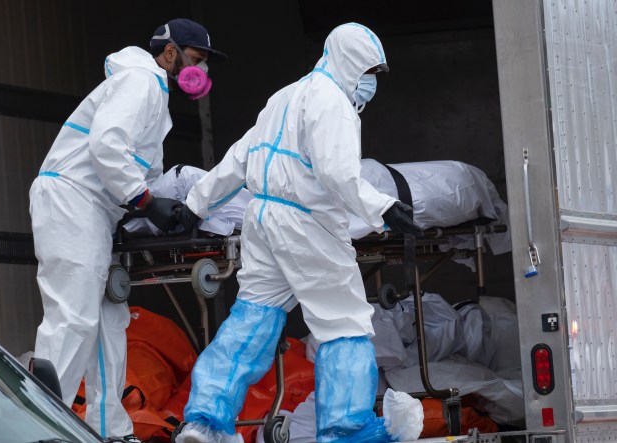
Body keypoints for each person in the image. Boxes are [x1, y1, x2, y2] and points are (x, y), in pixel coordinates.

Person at [174, 23, 422, 443]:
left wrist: (194, 203)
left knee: (252, 317)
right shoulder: (334, 103)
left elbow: (239, 157)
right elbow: (337, 173)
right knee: (343, 324)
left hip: (263, 221)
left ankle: (204, 421)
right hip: (307, 223)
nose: (371, 83)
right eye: (370, 72)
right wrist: (384, 208)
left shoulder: (284, 97)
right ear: (350, 64)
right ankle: (346, 431)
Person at [29, 18, 226, 441]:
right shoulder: (142, 81)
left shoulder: (150, 92)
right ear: (171, 54)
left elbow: (134, 167)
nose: (199, 73)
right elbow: (106, 145)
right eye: (196, 60)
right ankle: (41, 428)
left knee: (107, 322)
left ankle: (110, 430)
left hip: (95, 210)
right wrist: (146, 203)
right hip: (72, 200)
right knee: (73, 319)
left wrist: (146, 202)